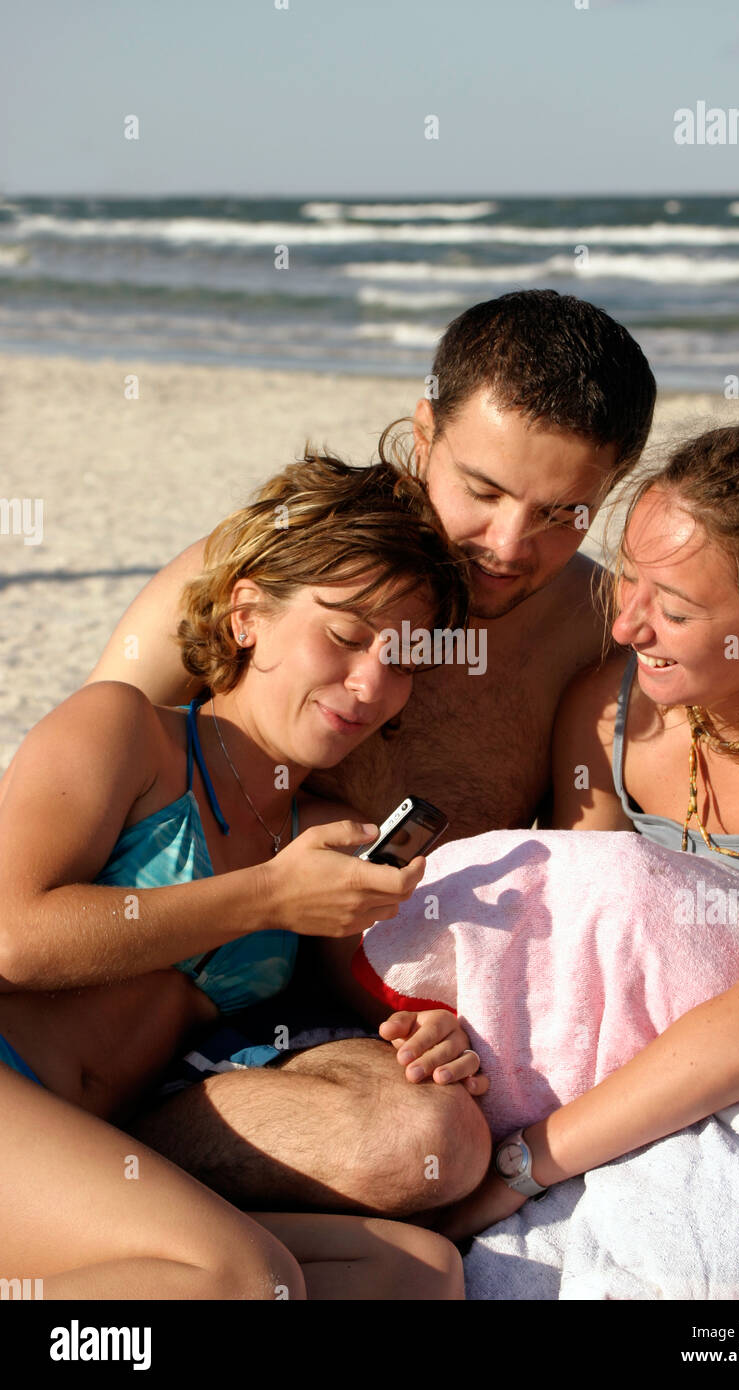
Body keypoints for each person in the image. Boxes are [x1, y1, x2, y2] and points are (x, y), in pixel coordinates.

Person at [77, 291, 657, 1211]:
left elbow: (587, 888)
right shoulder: (257, 577)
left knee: (424, 1142)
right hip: (140, 1001)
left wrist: (454, 1032)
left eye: (562, 512)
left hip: (352, 1024)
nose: (511, 545)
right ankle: (74, 1166)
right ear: (422, 431)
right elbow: (66, 807)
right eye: (484, 490)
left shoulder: (594, 638)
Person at [0, 452, 481, 1298]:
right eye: (344, 637)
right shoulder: (127, 733)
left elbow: (372, 999)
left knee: (412, 1273)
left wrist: (428, 1037)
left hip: (96, 1148)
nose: (371, 685)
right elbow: (12, 937)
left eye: (403, 660)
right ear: (246, 613)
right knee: (234, 1276)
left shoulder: (327, 835)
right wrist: (264, 897)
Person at [433, 414, 739, 1239]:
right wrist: (454, 1023)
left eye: (670, 606)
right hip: (644, 1065)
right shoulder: (610, 709)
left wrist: (520, 1167)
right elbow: (574, 940)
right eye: (626, 579)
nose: (628, 625)